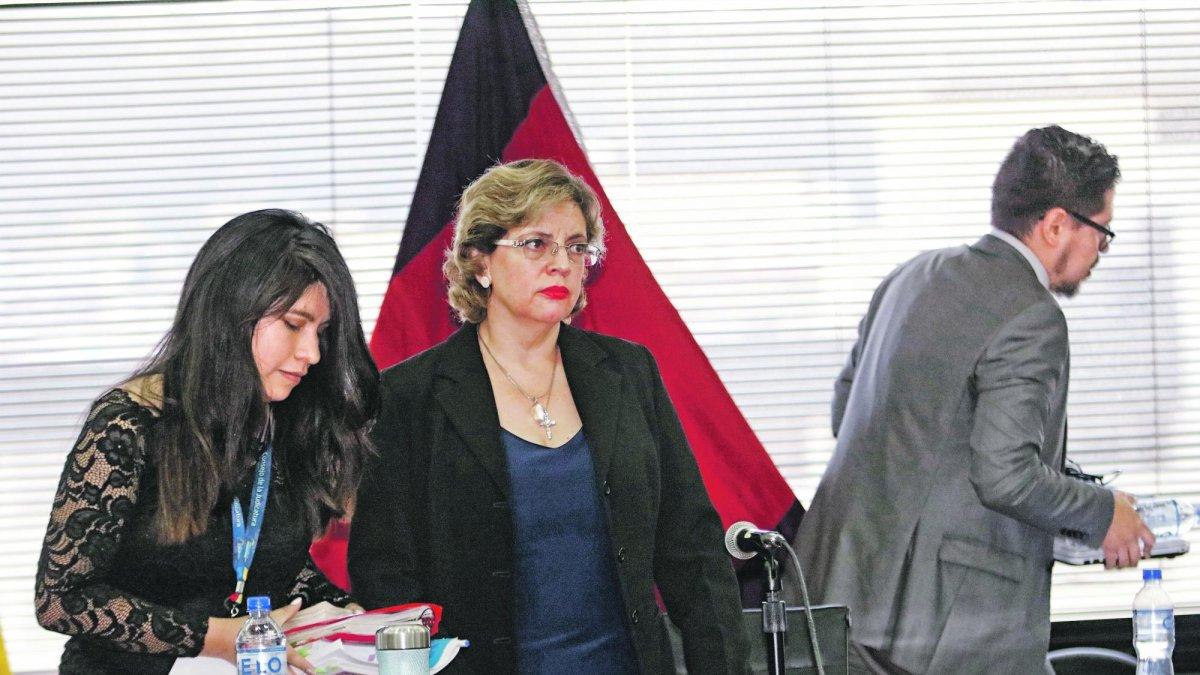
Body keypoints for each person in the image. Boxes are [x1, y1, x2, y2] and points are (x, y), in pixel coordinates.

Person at [349, 159, 747, 674]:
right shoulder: (408, 396)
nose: (562, 263)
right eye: (536, 244)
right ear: (480, 262)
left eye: (576, 247)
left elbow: (693, 553)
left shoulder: (628, 372)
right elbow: (386, 578)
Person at [795, 126, 1155, 674]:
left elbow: (851, 416)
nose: (1101, 252)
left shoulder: (911, 276)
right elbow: (1005, 476)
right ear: (1057, 224)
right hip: (944, 634)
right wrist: (1103, 512)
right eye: (1102, 232)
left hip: (839, 601)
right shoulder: (1032, 315)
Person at [34, 209, 379, 674]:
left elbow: (258, 561)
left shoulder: (285, 422)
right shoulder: (128, 425)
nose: (312, 353)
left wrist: (342, 614)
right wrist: (211, 638)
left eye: (322, 333)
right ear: (232, 314)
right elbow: (60, 599)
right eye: (294, 325)